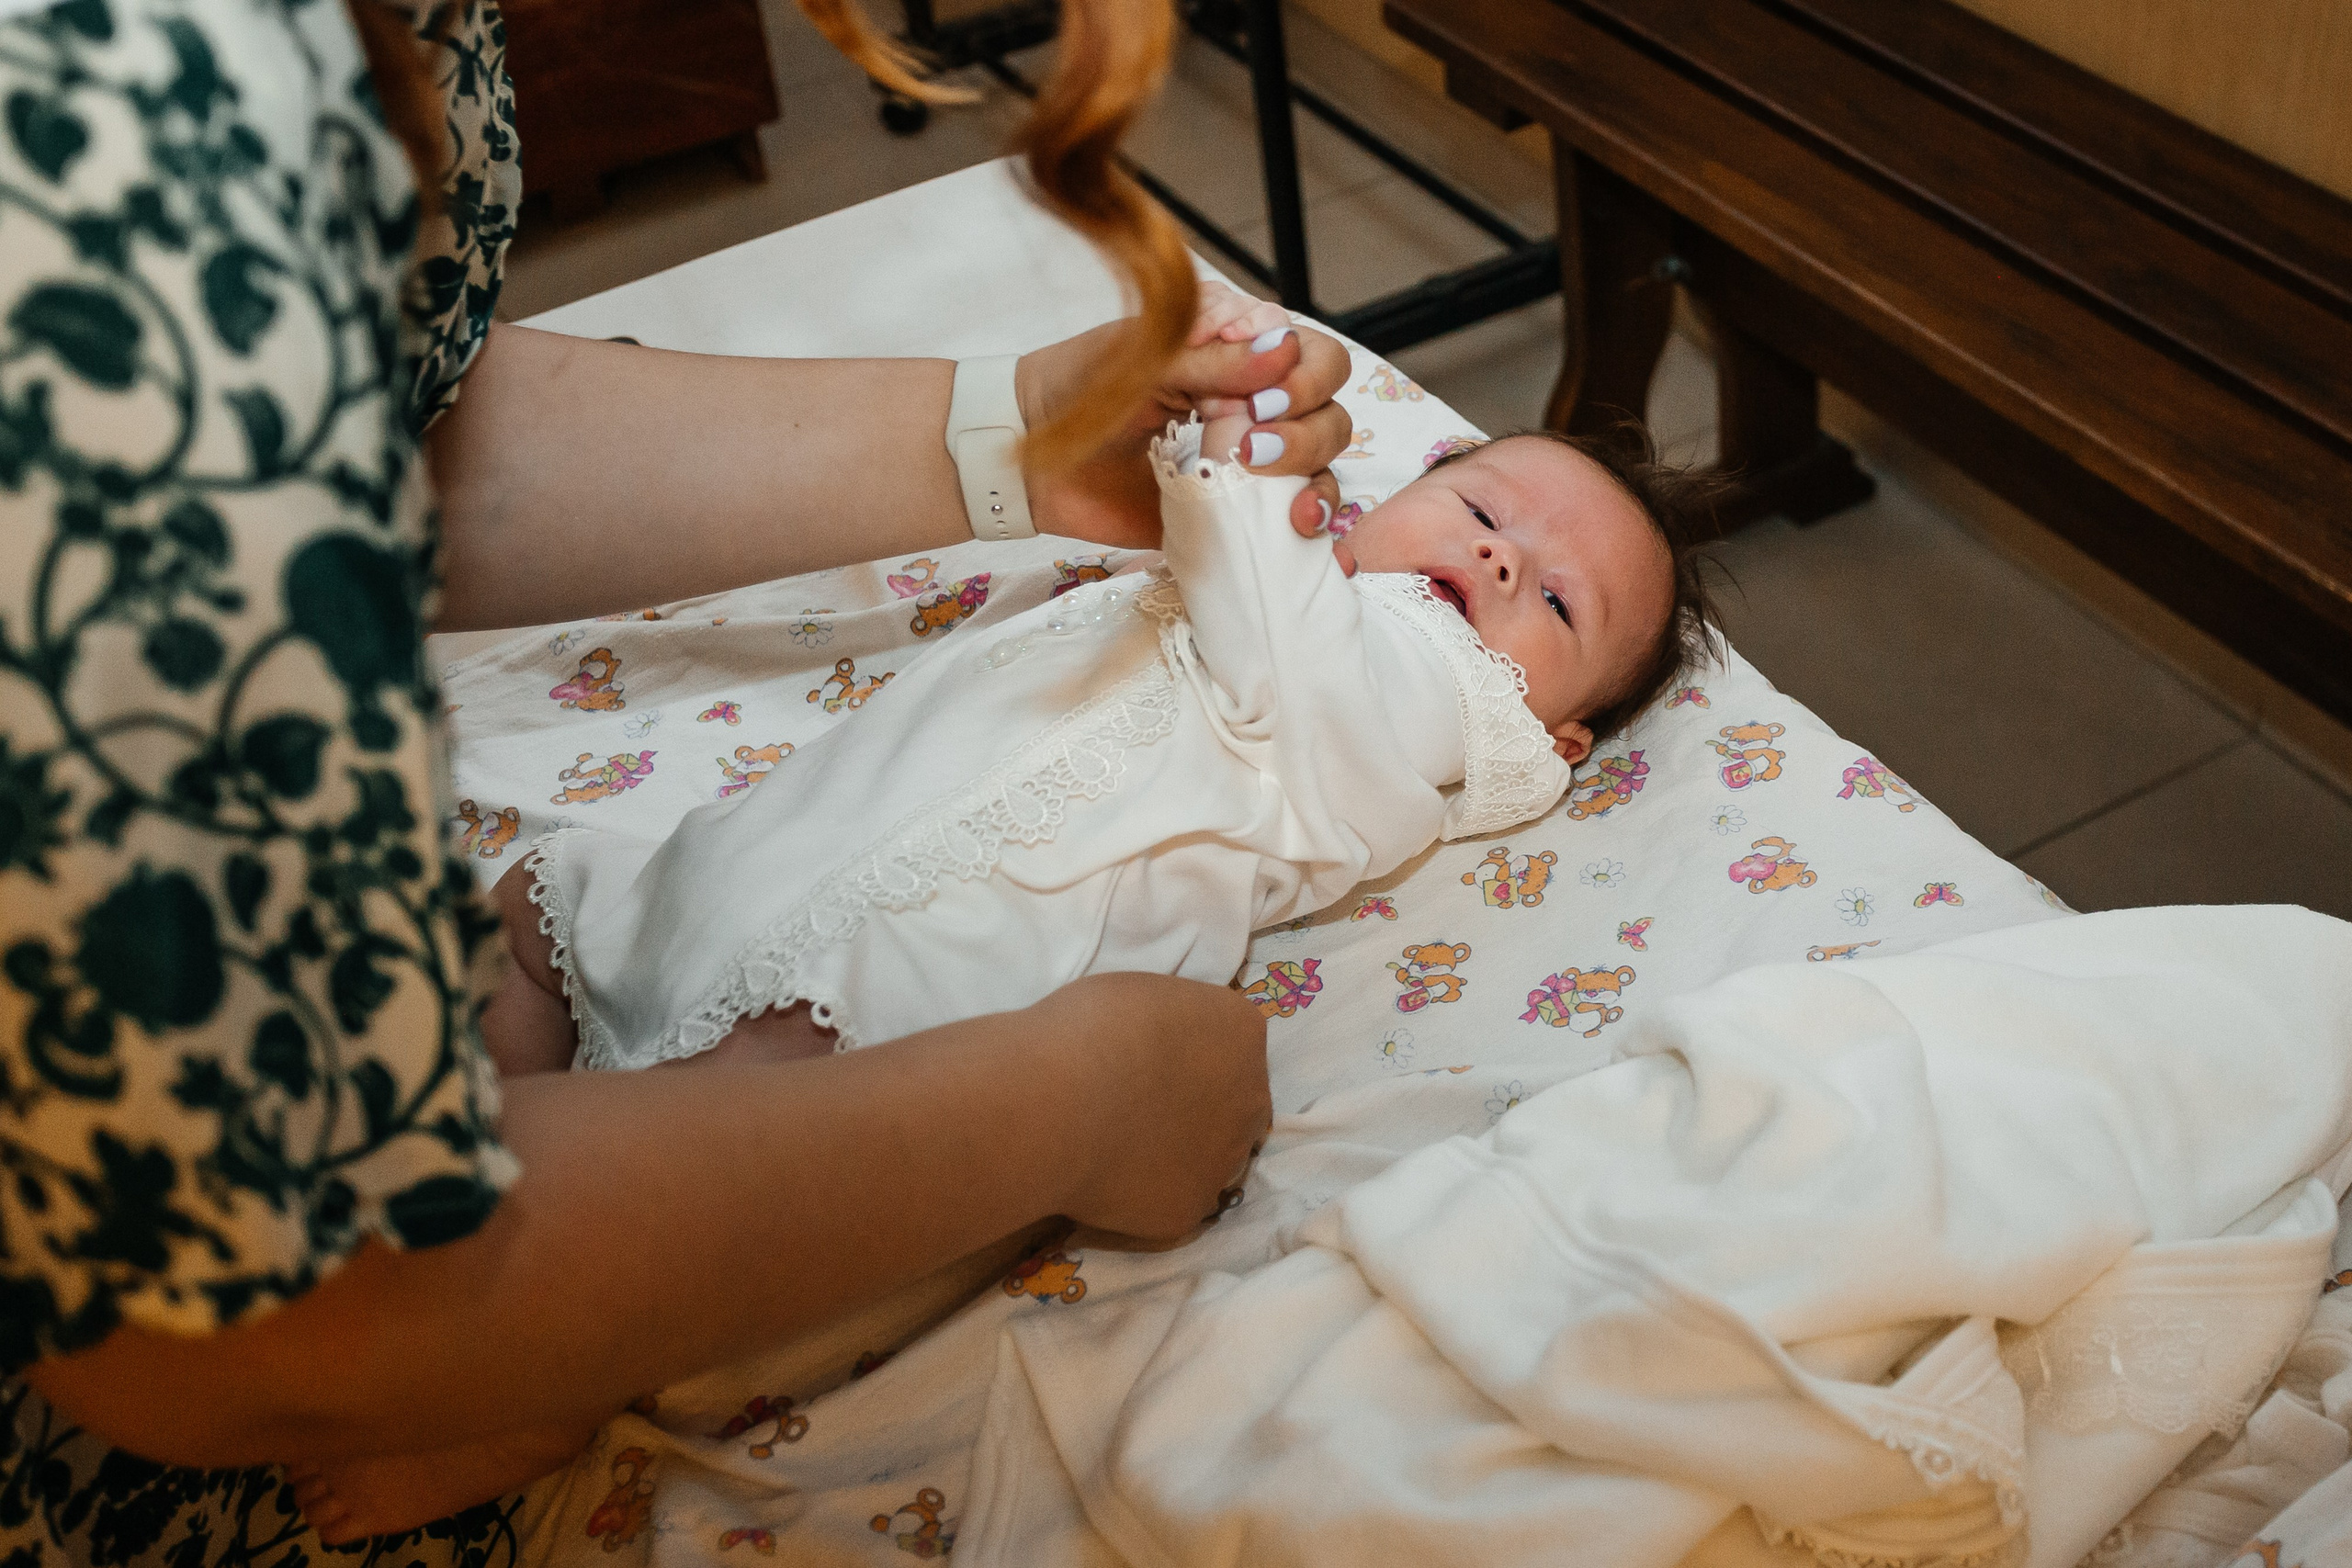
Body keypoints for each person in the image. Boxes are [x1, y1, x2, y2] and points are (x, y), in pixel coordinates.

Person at [0, 0, 1354, 1557]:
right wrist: (1081, 1102)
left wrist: (1006, 444)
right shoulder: (108, 131)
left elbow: (390, 429)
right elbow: (292, 1313)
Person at [281, 400, 1718, 1528]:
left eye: (1556, 604)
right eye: (1479, 510)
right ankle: (472, 1177)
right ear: (1403, 492)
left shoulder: (1420, 713)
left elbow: (1290, 646)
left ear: (1558, 742)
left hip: (959, 941)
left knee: (733, 1130)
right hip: (787, 853)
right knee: (544, 907)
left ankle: (543, 1379)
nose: (1497, 560)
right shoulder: (1291, 578)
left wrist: (1238, 466)